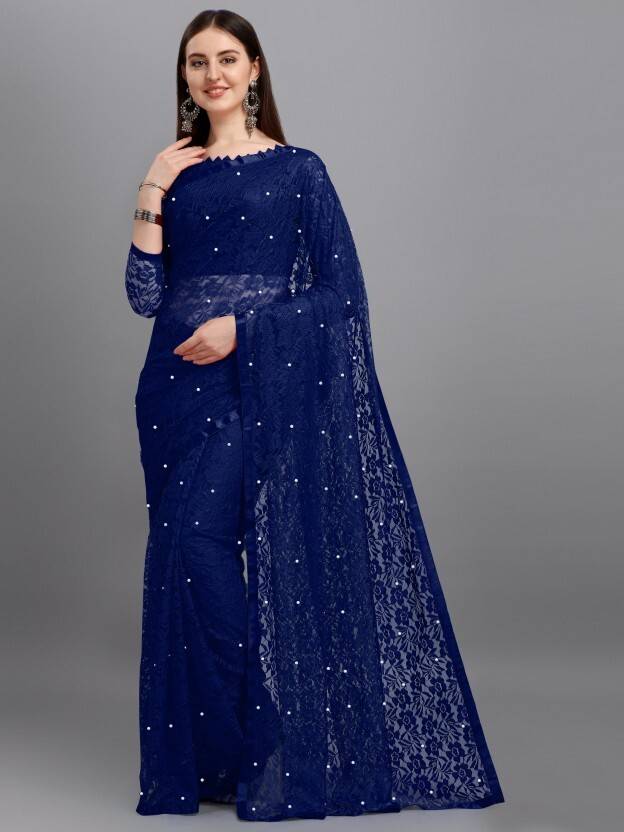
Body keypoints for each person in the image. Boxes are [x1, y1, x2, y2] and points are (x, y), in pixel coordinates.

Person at [124, 8, 505, 822]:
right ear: (185, 76)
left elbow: (342, 297)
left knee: (199, 543)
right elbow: (144, 294)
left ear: (255, 70)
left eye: (228, 58)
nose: (213, 74)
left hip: (254, 385)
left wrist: (243, 330)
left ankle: (281, 738)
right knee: (183, 559)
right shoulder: (176, 172)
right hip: (171, 392)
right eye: (198, 62)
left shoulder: (298, 171)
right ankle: (229, 758)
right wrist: (152, 187)